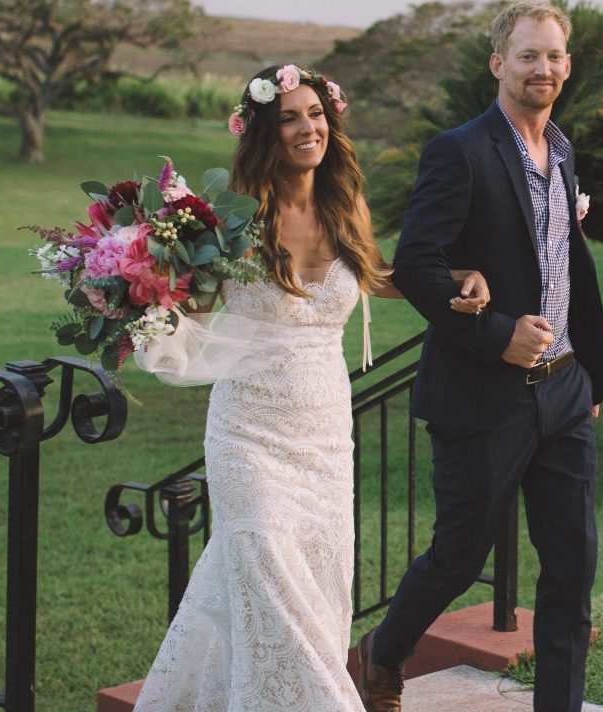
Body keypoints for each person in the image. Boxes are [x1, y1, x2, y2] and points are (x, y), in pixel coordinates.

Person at [132, 65, 490, 711]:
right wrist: (137, 290)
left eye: (316, 114)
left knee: (315, 588)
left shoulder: (344, 204)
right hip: (248, 431)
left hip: (324, 432)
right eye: (290, 117)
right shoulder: (228, 218)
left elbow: (375, 276)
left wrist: (458, 278)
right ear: (264, 131)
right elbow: (190, 302)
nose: (307, 128)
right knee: (267, 571)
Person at [353, 0, 603, 712]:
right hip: (483, 395)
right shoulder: (460, 151)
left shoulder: (562, 152)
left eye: (553, 56)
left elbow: (558, 262)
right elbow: (416, 265)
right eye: (528, 55)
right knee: (459, 555)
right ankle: (383, 651)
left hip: (564, 390)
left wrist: (587, 375)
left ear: (567, 66)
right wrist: (499, 334)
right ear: (499, 64)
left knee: (572, 570)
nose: (542, 68)